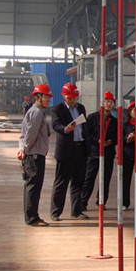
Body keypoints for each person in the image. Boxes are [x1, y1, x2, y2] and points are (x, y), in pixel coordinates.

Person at [50, 82, 89, 221]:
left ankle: (76, 210)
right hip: (66, 151)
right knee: (61, 182)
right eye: (69, 98)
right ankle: (55, 212)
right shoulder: (57, 109)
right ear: (64, 97)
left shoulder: (81, 108)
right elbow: (55, 125)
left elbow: (84, 126)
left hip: (80, 149)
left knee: (78, 182)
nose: (72, 100)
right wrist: (66, 129)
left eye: (74, 97)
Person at [18, 84, 53, 226]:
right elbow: (30, 134)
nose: (49, 100)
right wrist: (25, 150)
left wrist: (23, 149)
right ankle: (32, 218)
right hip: (34, 155)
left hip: (35, 153)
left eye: (49, 97)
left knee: (32, 186)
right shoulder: (37, 113)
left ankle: (31, 216)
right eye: (46, 97)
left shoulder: (37, 112)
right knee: (33, 186)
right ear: (38, 98)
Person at [81, 91, 117, 211]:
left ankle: (101, 202)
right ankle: (83, 202)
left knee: (105, 180)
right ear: (102, 102)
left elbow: (118, 136)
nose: (108, 104)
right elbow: (86, 134)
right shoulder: (92, 118)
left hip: (108, 154)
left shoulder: (114, 121)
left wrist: (111, 141)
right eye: (106, 101)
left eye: (111, 102)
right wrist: (97, 141)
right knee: (89, 178)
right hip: (94, 153)